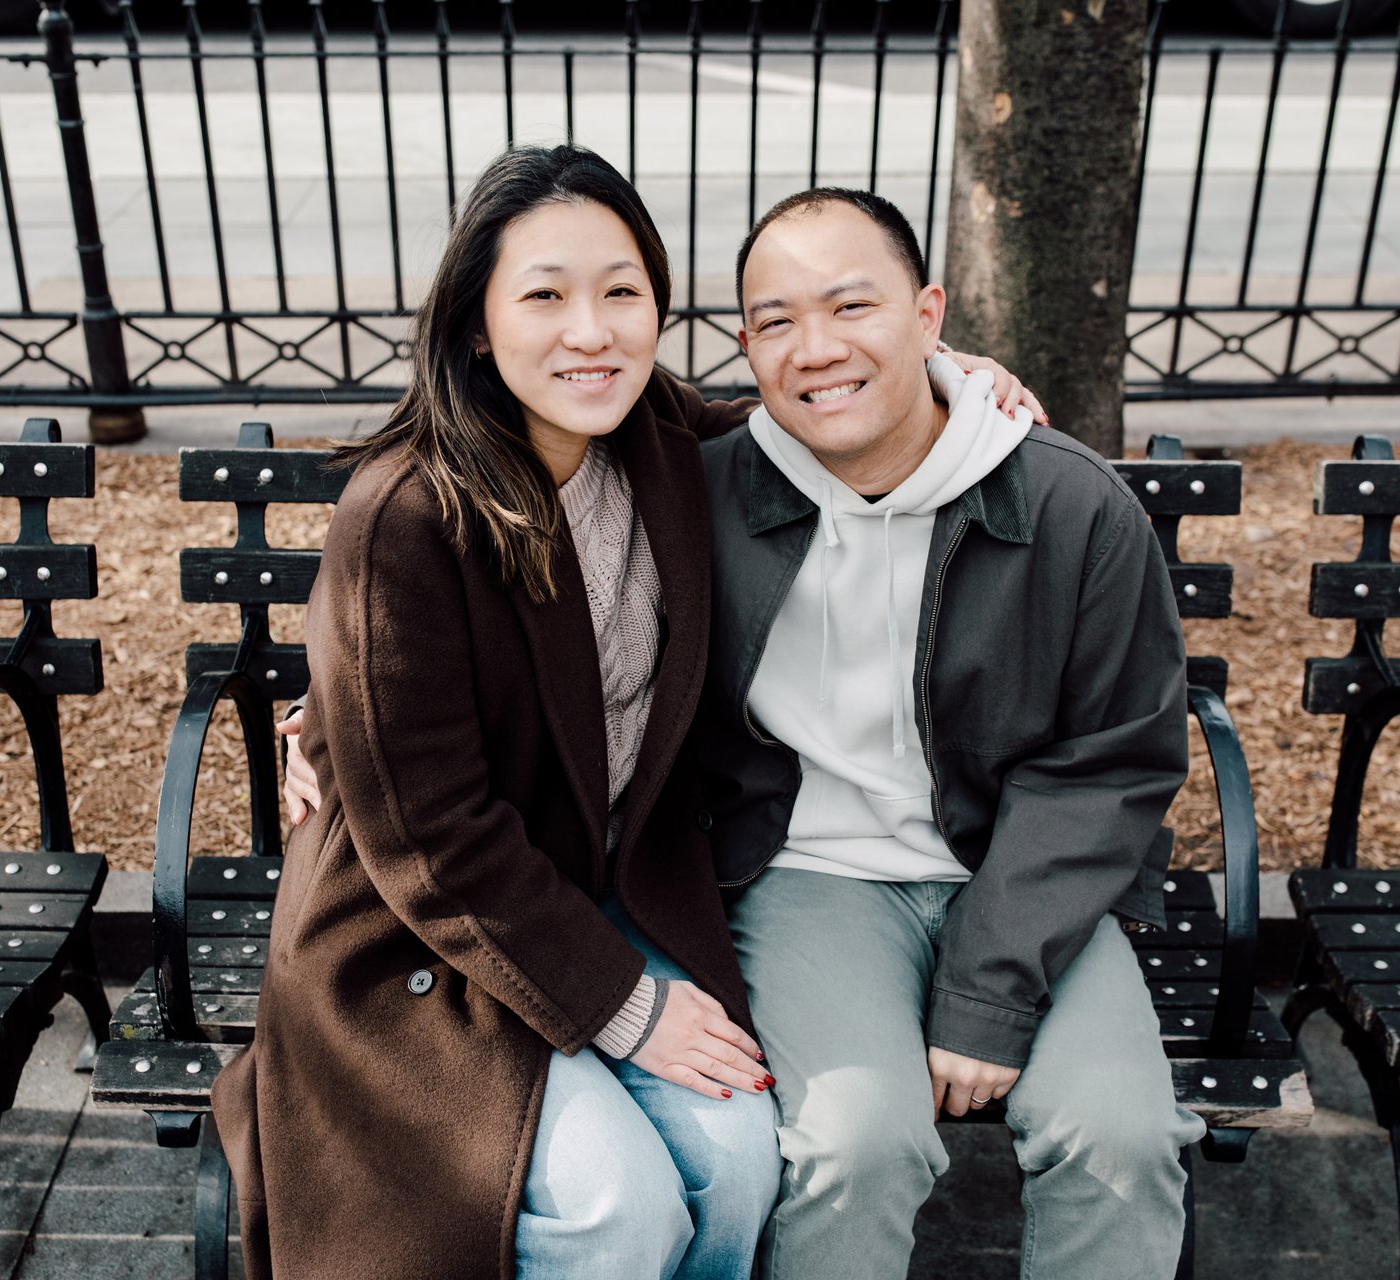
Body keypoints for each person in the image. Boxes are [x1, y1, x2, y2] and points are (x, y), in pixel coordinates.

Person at [223, 145, 1035, 1280]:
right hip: (426, 927)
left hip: (614, 885)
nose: (590, 332)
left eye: (621, 291)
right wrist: (627, 1005)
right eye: (544, 296)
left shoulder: (659, 438)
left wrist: (946, 374)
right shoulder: (408, 514)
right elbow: (430, 834)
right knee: (621, 1210)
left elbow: (814, 405)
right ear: (476, 324)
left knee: (739, 1164)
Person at [691, 188, 1207, 1278]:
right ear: (745, 345)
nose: (816, 348)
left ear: (928, 316)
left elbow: (1112, 761)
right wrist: (342, 697)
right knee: (854, 1145)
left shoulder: (1068, 504)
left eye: (853, 306)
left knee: (1121, 1137)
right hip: (809, 874)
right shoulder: (700, 493)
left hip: (1022, 871)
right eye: (777, 320)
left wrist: (988, 992)